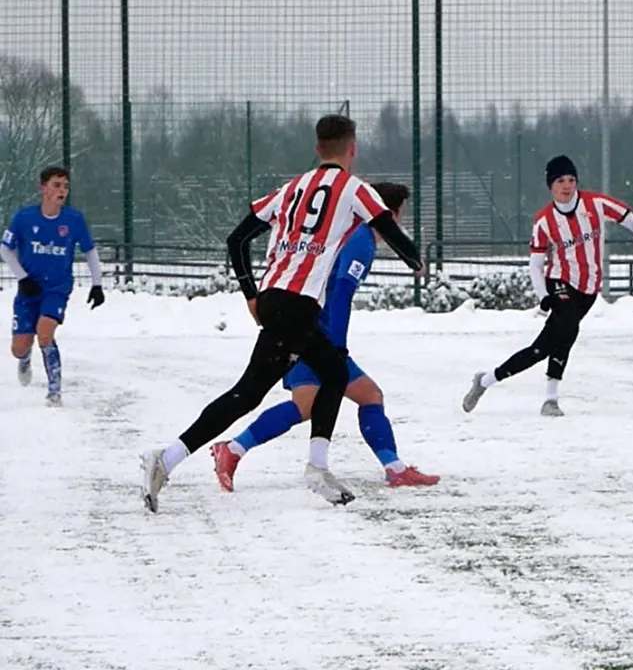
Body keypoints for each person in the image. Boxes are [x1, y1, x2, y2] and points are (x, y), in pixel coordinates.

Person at [139, 115, 426, 512]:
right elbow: (390, 231)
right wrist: (416, 260)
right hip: (299, 302)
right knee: (253, 392)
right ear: (352, 148)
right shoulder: (353, 189)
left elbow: (237, 239)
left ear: (317, 147)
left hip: (275, 297)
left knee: (321, 374)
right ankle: (170, 458)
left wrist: (250, 294)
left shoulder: (291, 188)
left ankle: (313, 467)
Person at [209, 182, 439, 491]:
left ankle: (394, 468)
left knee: (363, 396)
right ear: (390, 214)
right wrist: (338, 348)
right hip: (314, 334)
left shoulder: (355, 235)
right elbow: (342, 291)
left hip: (312, 329)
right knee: (307, 405)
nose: (400, 223)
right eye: (400, 215)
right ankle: (233, 449)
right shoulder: (361, 241)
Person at [462, 155, 633, 416]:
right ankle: (549, 400)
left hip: (589, 287)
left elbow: (631, 219)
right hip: (560, 281)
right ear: (550, 185)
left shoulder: (595, 204)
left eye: (571, 179)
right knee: (562, 330)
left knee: (552, 343)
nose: (567, 185)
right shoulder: (544, 220)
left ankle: (486, 381)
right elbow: (535, 264)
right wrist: (544, 296)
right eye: (560, 180)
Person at [0, 166, 105, 406]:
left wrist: (97, 284)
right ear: (43, 188)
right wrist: (23, 278)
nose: (62, 191)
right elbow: (5, 249)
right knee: (19, 346)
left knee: (45, 334)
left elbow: (90, 251)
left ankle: (54, 392)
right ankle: (24, 359)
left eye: (65, 186)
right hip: (29, 290)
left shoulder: (74, 220)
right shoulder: (24, 217)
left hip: (56, 289)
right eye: (57, 185)